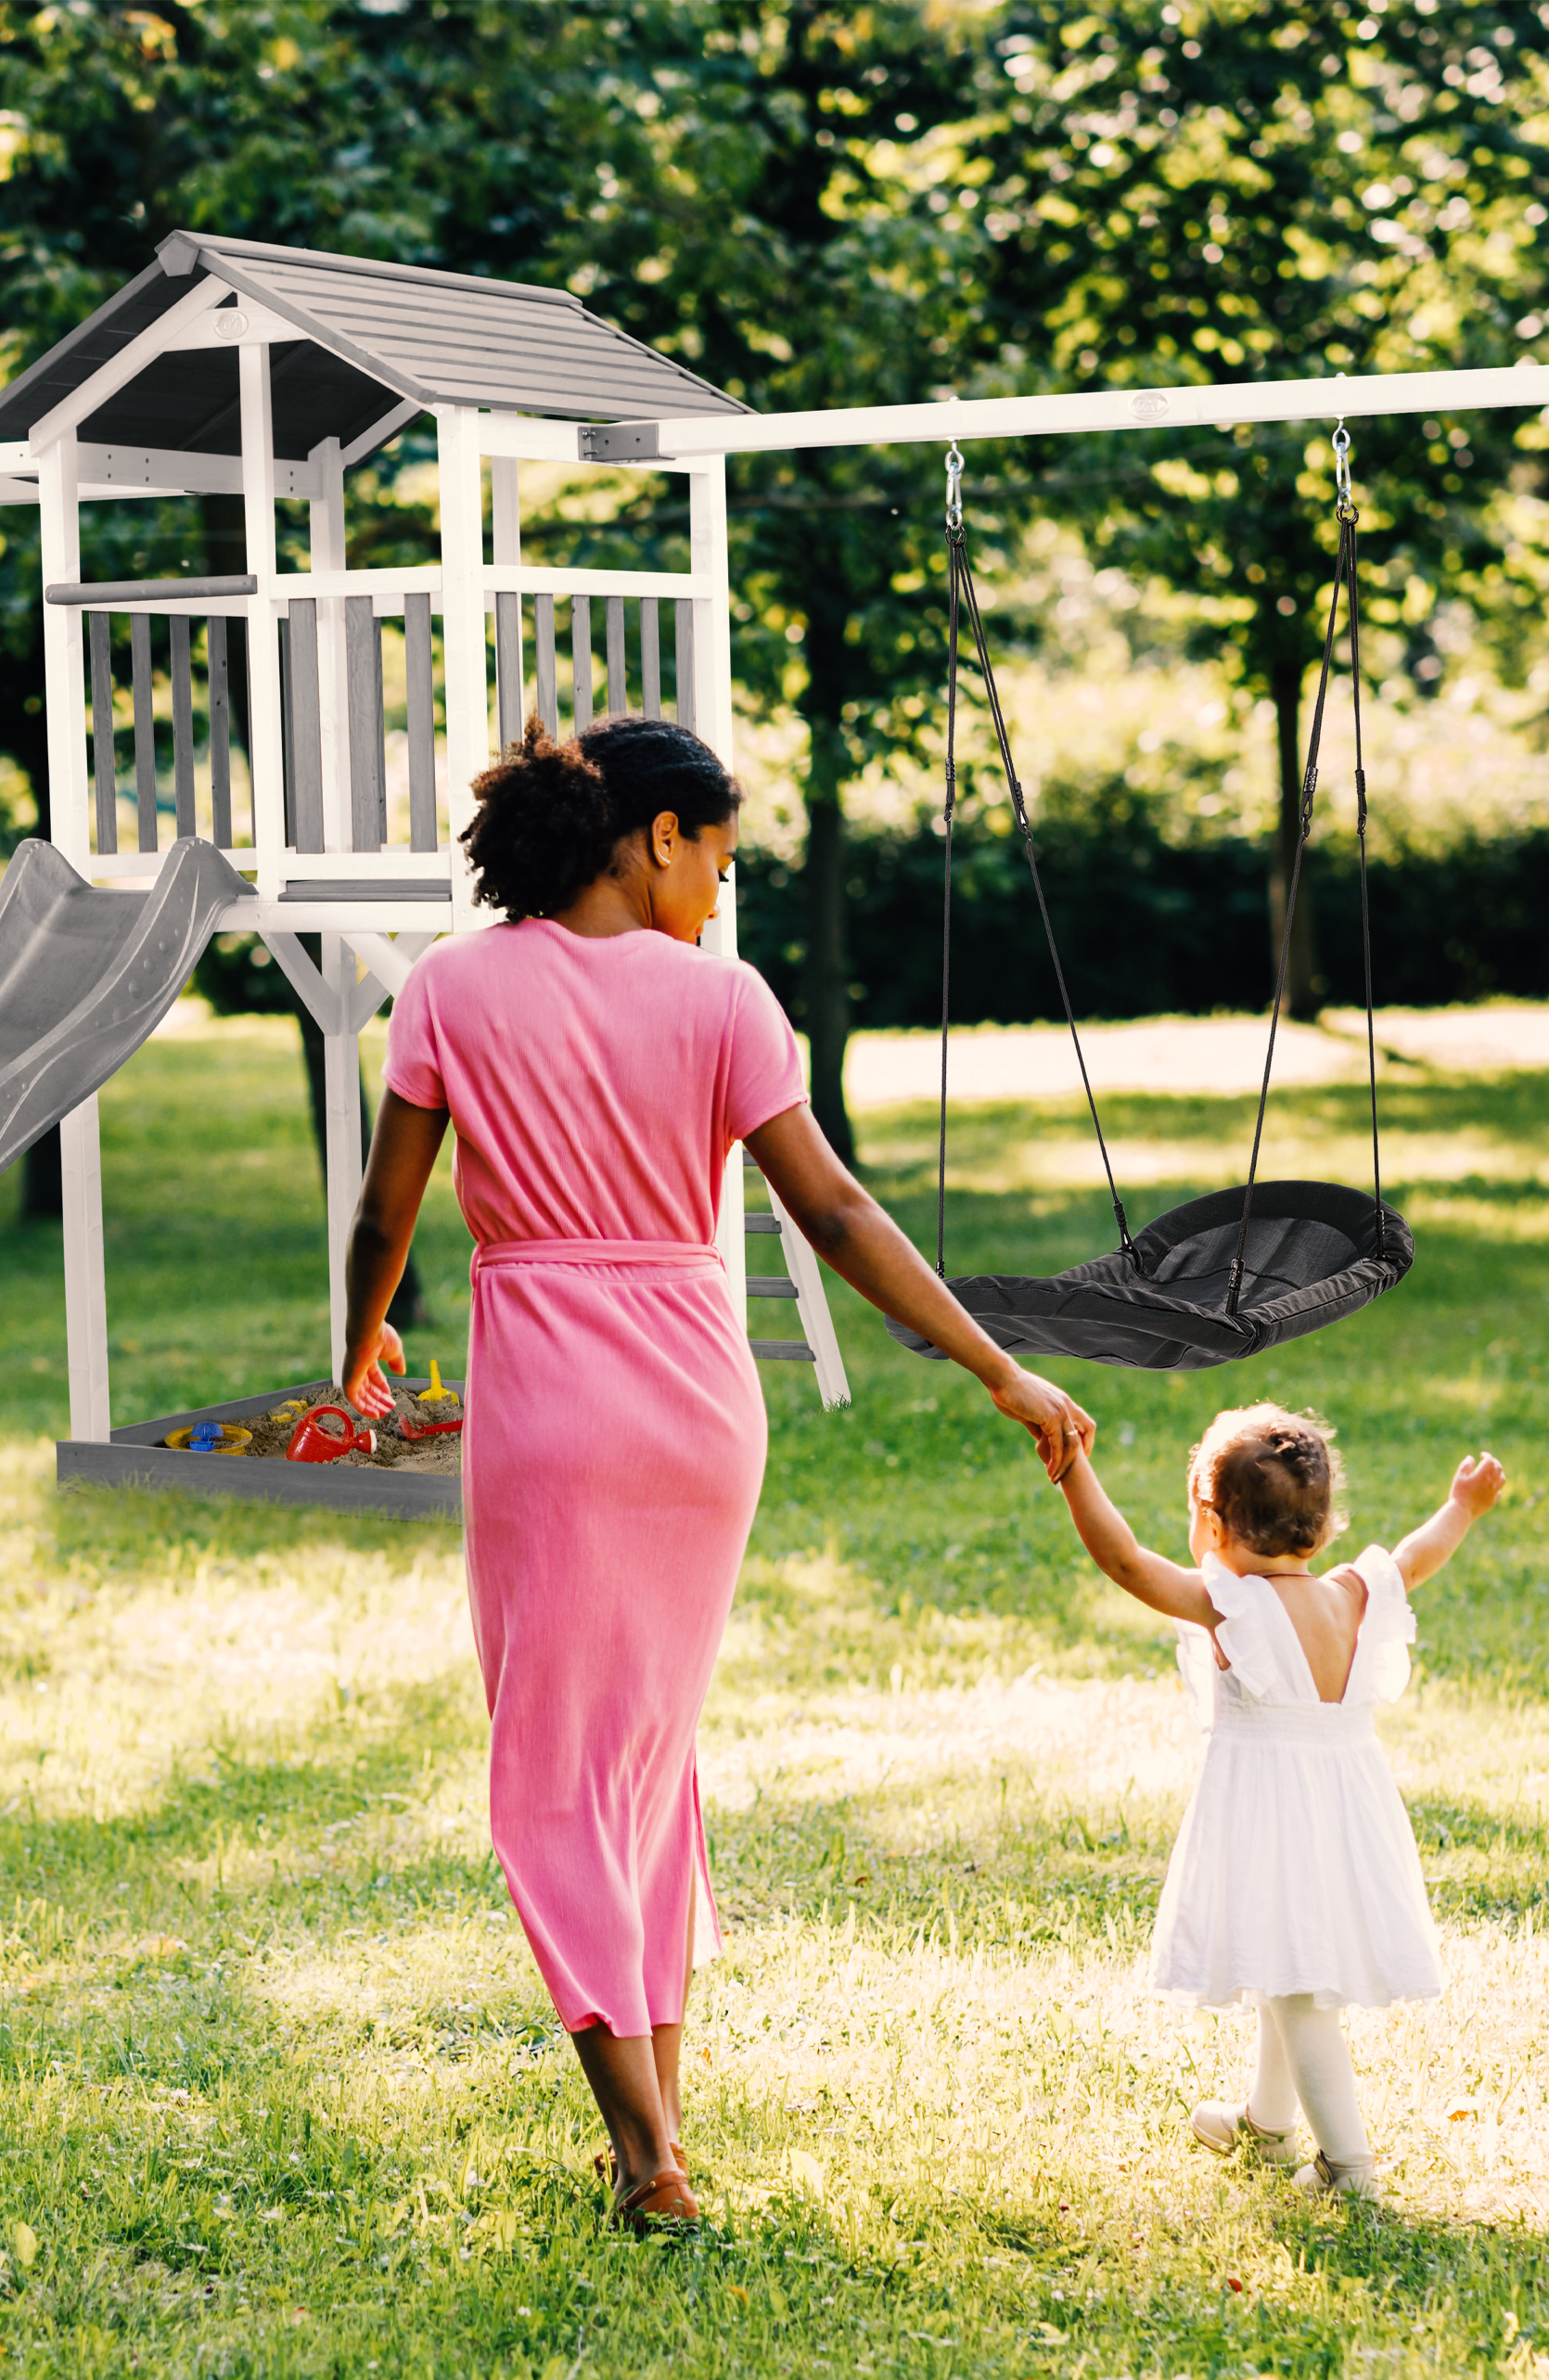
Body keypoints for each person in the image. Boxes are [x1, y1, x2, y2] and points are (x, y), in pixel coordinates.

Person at [339, 716, 1095, 2232]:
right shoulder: (724, 1003)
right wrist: (996, 1363)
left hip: (550, 1405)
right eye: (721, 862)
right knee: (644, 1768)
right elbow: (834, 1214)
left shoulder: (450, 988)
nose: (721, 895)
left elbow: (387, 1213)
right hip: (697, 1405)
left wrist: (354, 1351)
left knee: (555, 1779)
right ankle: (660, 2131)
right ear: (657, 837)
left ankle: (645, 2158)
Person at [1050, 1404, 1506, 2200]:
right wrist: (1461, 1507)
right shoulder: (1354, 1594)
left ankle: (1347, 2167)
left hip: (1272, 1818)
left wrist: (1072, 1468)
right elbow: (1416, 1555)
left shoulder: (1233, 1607)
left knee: (1297, 1992)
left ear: (1212, 1522)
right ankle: (1266, 2126)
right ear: (1323, 1528)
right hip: (1346, 1814)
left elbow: (1123, 1561)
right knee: (1281, 1961)